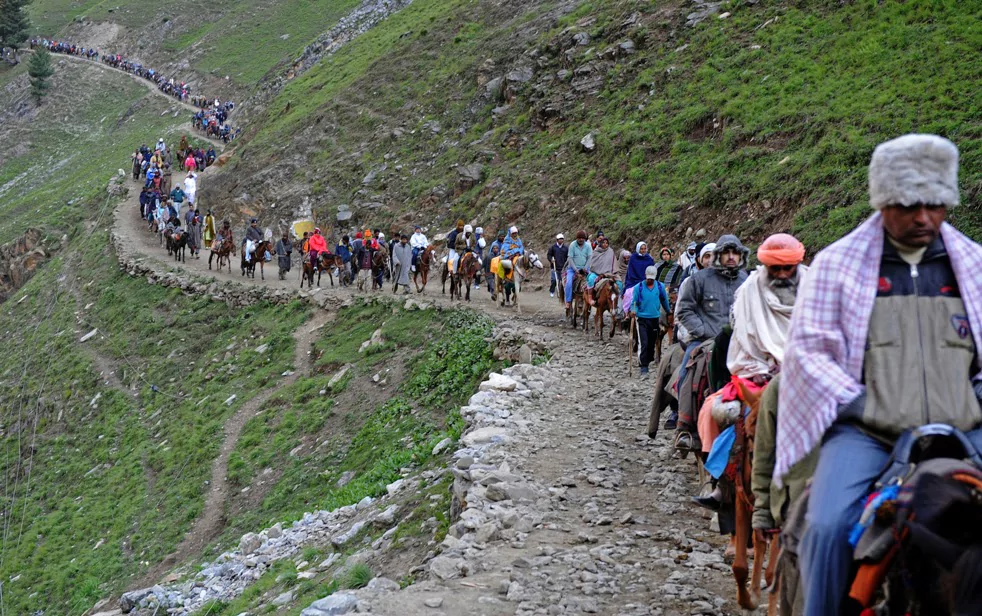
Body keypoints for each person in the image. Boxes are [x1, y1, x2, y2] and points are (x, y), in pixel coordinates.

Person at [776, 134, 982, 616]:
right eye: (909, 205)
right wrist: (864, 406)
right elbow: (808, 355)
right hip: (868, 435)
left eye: (935, 204)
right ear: (883, 201)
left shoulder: (974, 266)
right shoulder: (836, 266)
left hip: (970, 429)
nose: (924, 217)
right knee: (825, 528)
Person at [693, 233, 809, 511]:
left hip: (804, 376)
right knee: (714, 410)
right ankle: (720, 482)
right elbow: (743, 340)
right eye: (775, 268)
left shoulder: (815, 287)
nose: (781, 273)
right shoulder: (748, 291)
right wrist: (759, 369)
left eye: (788, 267)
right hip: (756, 375)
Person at [674, 236, 749, 446]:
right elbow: (685, 309)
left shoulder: (748, 281)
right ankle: (684, 426)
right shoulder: (699, 280)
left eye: (736, 253)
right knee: (689, 368)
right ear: (719, 255)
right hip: (706, 340)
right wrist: (703, 331)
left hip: (741, 341)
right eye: (727, 253)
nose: (731, 257)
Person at [629, 266, 671, 376]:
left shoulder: (660, 287)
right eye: (648, 278)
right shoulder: (639, 287)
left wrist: (668, 310)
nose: (650, 280)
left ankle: (649, 359)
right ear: (645, 276)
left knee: (652, 342)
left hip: (654, 318)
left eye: (652, 279)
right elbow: (634, 302)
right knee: (644, 342)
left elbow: (664, 300)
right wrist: (633, 310)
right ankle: (644, 367)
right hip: (642, 318)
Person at [565, 230, 593, 308]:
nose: (581, 239)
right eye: (579, 238)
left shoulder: (588, 246)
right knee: (568, 283)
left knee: (592, 280)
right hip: (573, 268)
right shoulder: (572, 245)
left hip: (585, 268)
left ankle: (591, 298)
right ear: (576, 238)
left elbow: (589, 257)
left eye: (582, 238)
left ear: (585, 238)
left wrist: (585, 268)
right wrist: (575, 270)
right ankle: (568, 301)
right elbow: (570, 258)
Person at [586, 236, 616, 306]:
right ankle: (590, 297)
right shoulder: (596, 251)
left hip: (608, 273)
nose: (605, 244)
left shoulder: (610, 251)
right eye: (603, 243)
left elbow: (612, 264)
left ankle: (615, 302)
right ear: (600, 243)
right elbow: (593, 264)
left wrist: (606, 274)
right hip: (596, 273)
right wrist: (599, 273)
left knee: (618, 284)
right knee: (591, 279)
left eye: (606, 243)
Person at [546, 234, 568, 298]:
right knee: (554, 280)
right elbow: (549, 255)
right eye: (560, 239)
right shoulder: (553, 247)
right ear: (557, 240)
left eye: (562, 239)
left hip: (563, 267)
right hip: (555, 267)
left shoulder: (566, 248)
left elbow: (568, 257)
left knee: (562, 281)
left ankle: (561, 292)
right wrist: (551, 260)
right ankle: (552, 291)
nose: (561, 240)